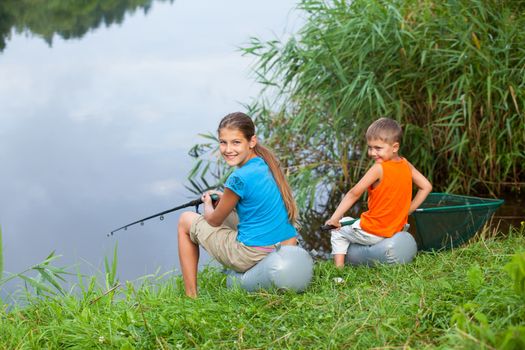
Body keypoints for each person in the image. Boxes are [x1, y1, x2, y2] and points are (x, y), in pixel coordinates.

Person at [177, 112, 299, 297]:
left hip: (251, 254)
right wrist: (223, 196)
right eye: (223, 142)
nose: (227, 149)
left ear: (251, 141)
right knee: (226, 211)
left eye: (236, 142)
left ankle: (190, 296)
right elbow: (252, 200)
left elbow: (214, 221)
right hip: (283, 243)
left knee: (185, 220)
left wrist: (208, 203)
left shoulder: (238, 178)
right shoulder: (266, 163)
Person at [325, 117, 432, 268]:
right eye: (370, 147)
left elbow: (353, 193)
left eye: (378, 148)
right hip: (396, 228)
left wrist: (334, 219)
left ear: (394, 147)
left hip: (375, 231)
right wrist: (407, 211)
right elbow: (426, 186)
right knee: (349, 220)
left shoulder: (378, 168)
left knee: (338, 229)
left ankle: (339, 270)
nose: (372, 153)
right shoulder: (405, 165)